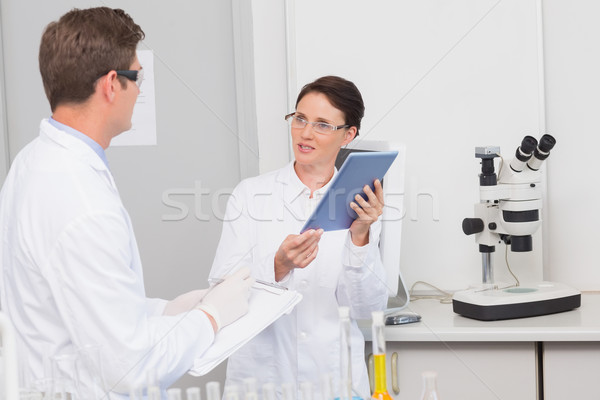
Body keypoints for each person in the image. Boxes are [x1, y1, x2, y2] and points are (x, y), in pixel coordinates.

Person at [0, 7, 253, 398]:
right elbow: (134, 369)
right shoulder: (78, 199)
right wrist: (211, 317)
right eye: (138, 77)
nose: (140, 92)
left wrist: (168, 310)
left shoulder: (35, 160)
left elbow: (91, 311)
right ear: (112, 84)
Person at [209, 76, 389, 399]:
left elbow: (366, 309)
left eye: (322, 125)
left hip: (334, 381)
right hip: (263, 381)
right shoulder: (250, 196)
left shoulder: (362, 205)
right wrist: (276, 267)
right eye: (300, 118)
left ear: (348, 135)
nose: (305, 133)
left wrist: (360, 237)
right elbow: (219, 294)